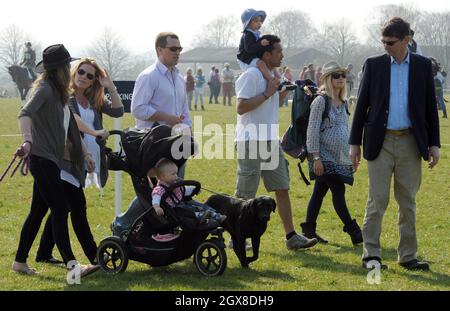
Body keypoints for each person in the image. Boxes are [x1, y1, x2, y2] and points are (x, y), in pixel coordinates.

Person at [349, 17, 440, 271]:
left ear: (406, 40)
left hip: (411, 142)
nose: (386, 46)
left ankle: (408, 255)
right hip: (380, 142)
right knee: (377, 201)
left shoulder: (422, 66)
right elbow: (361, 106)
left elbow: (430, 107)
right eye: (383, 42)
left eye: (391, 42)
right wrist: (354, 143)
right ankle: (371, 255)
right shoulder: (374, 65)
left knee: (408, 201)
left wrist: (435, 144)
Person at [12, 44, 98, 277]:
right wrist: (28, 141)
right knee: (60, 210)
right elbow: (24, 113)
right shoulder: (45, 89)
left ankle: (19, 262)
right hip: (42, 159)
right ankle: (73, 267)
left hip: (52, 159)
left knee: (38, 212)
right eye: (68, 64)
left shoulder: (59, 91)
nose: (71, 68)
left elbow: (69, 123)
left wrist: (86, 154)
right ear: (60, 68)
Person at [34, 57, 124, 265]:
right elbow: (74, 121)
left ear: (94, 81)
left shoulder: (94, 100)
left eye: (90, 75)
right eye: (81, 72)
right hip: (66, 159)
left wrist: (109, 86)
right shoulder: (66, 97)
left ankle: (43, 253)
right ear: (74, 73)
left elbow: (118, 111)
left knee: (61, 207)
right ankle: (93, 256)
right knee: (75, 207)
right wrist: (91, 137)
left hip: (87, 162)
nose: (84, 77)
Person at [235, 34, 318, 250]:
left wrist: (279, 93)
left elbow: (272, 104)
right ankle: (237, 237)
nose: (282, 55)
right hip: (250, 140)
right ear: (267, 54)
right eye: (279, 52)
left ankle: (291, 237)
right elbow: (241, 107)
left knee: (282, 187)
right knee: (246, 193)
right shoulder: (252, 75)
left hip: (271, 141)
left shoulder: (272, 75)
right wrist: (268, 92)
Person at [301, 61, 362, 245]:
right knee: (338, 189)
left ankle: (309, 230)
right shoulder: (320, 101)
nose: (341, 78)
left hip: (340, 156)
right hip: (323, 156)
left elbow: (345, 129)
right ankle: (354, 232)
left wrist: (352, 154)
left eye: (343, 75)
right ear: (327, 79)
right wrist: (316, 158)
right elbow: (311, 131)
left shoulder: (343, 102)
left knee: (319, 191)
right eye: (336, 76)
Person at [131, 32, 192, 178]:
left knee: (175, 191)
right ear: (159, 50)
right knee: (152, 194)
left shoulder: (179, 78)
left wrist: (189, 136)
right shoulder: (148, 76)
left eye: (179, 49)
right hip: (153, 144)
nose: (177, 52)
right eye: (173, 49)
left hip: (177, 142)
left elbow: (184, 110)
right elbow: (138, 108)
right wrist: (166, 117)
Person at [151, 158, 227, 224]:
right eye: (173, 174)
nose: (176, 176)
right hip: (175, 208)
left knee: (197, 204)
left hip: (183, 201)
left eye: (176, 173)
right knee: (186, 210)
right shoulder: (160, 189)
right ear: (162, 176)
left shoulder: (174, 183)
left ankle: (216, 215)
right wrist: (157, 207)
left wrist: (194, 190)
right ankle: (199, 216)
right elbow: (156, 198)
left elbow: (184, 190)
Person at [237, 9, 283, 87]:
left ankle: (280, 78)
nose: (259, 23)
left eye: (260, 21)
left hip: (252, 57)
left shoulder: (255, 34)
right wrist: (260, 43)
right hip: (246, 59)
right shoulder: (248, 35)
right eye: (256, 21)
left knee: (271, 64)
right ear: (248, 24)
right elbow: (249, 49)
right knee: (261, 63)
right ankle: (272, 80)